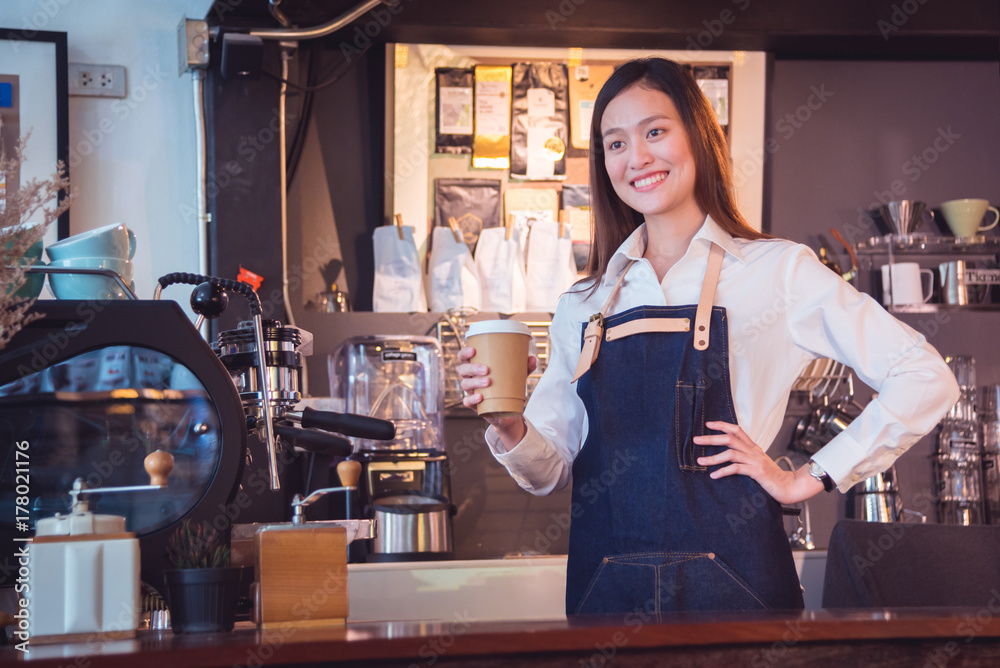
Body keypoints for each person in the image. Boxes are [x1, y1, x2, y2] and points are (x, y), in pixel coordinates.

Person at [457, 58, 959, 616]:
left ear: (697, 136)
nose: (637, 157)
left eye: (655, 132)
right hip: (607, 600)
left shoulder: (778, 271)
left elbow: (925, 377)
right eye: (615, 143)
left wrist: (806, 477)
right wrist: (509, 426)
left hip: (740, 595)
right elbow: (549, 470)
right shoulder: (585, 303)